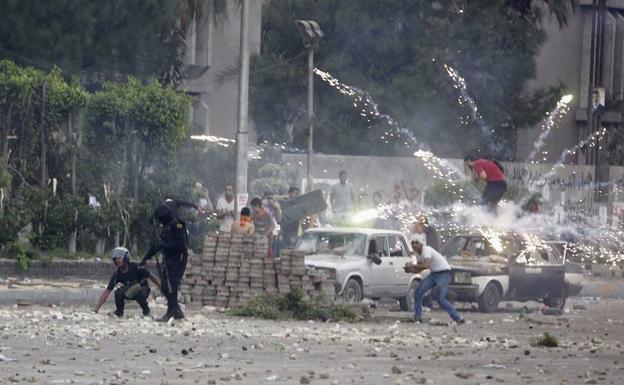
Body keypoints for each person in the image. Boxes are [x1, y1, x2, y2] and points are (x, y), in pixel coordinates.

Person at [140, 205, 189, 321]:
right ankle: (176, 311)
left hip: (178, 259)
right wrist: (144, 259)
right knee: (165, 287)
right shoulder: (166, 227)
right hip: (169, 259)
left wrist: (166, 246)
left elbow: (181, 245)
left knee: (171, 286)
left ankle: (171, 312)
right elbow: (156, 246)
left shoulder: (178, 225)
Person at [408, 233, 464, 324]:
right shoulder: (418, 254)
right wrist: (410, 269)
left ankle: (458, 318)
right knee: (418, 292)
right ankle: (417, 317)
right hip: (434, 273)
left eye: (416, 243)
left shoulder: (426, 250)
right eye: (412, 243)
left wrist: (413, 266)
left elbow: (425, 265)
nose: (414, 245)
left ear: (421, 244)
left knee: (440, 298)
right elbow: (420, 269)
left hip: (443, 273)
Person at [94, 247, 160, 317]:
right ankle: (119, 311)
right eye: (116, 259)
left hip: (143, 290)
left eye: (119, 258)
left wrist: (162, 287)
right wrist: (97, 308)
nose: (117, 261)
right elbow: (107, 291)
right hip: (129, 291)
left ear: (125, 258)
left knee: (139, 292)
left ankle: (146, 311)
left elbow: (151, 276)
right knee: (118, 292)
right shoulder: (117, 274)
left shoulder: (136, 267)